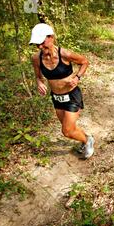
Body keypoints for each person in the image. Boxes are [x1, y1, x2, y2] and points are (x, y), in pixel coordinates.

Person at [29, 23, 94, 159]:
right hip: (57, 98)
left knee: (66, 130)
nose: (40, 47)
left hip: (72, 95)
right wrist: (39, 83)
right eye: (37, 45)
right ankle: (85, 138)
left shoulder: (64, 54)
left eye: (42, 43)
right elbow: (38, 76)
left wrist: (77, 77)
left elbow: (84, 62)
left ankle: (88, 141)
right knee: (69, 128)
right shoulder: (36, 58)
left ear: (51, 37)